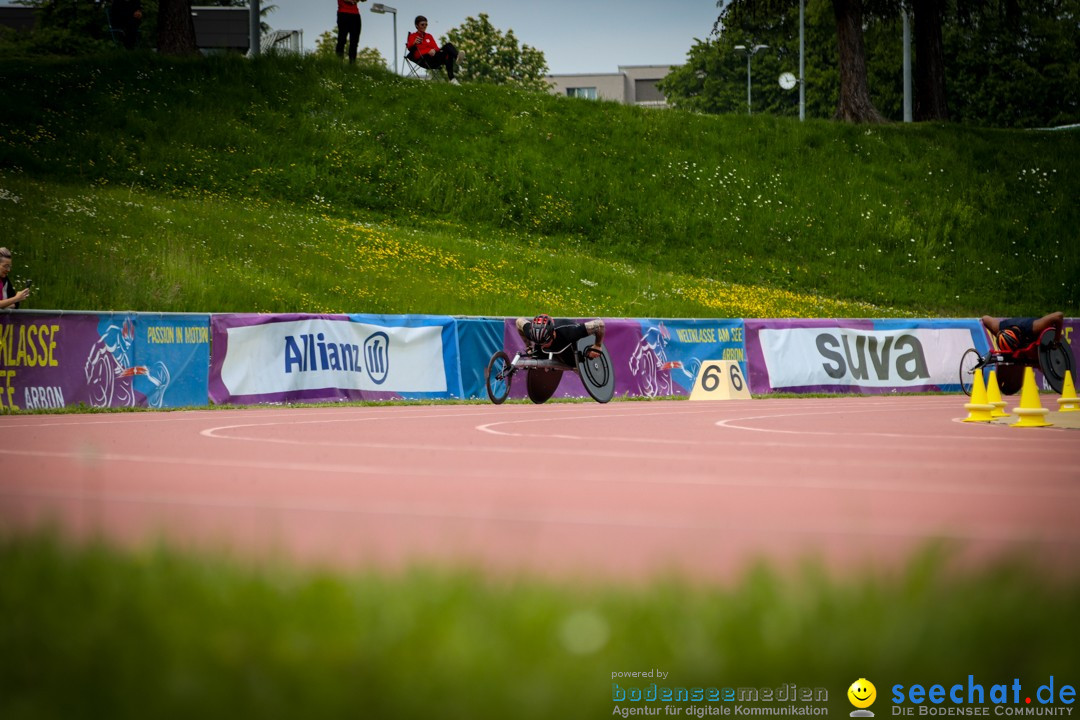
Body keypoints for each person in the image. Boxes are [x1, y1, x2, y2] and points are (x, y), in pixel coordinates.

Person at [515, 314, 605, 360]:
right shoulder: (531, 333)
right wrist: (528, 346)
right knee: (535, 355)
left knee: (573, 361)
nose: (543, 345)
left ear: (552, 333)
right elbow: (519, 321)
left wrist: (597, 345)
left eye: (545, 343)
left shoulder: (570, 332)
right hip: (552, 343)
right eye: (540, 343)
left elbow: (599, 324)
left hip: (567, 343)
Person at [406, 15, 462, 83]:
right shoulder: (413, 36)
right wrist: (414, 43)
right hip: (423, 58)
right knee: (448, 51)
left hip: (434, 57)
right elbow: (409, 48)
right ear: (417, 25)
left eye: (426, 24)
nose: (424, 26)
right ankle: (454, 71)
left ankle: (453, 76)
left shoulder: (429, 36)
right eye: (422, 24)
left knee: (448, 47)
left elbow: (436, 47)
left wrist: (434, 50)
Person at [980, 312, 1064, 351]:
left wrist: (1056, 340)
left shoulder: (1034, 327)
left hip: (1032, 331)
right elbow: (984, 318)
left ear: (1019, 337)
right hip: (1007, 328)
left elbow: (1058, 316)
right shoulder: (999, 328)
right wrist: (998, 335)